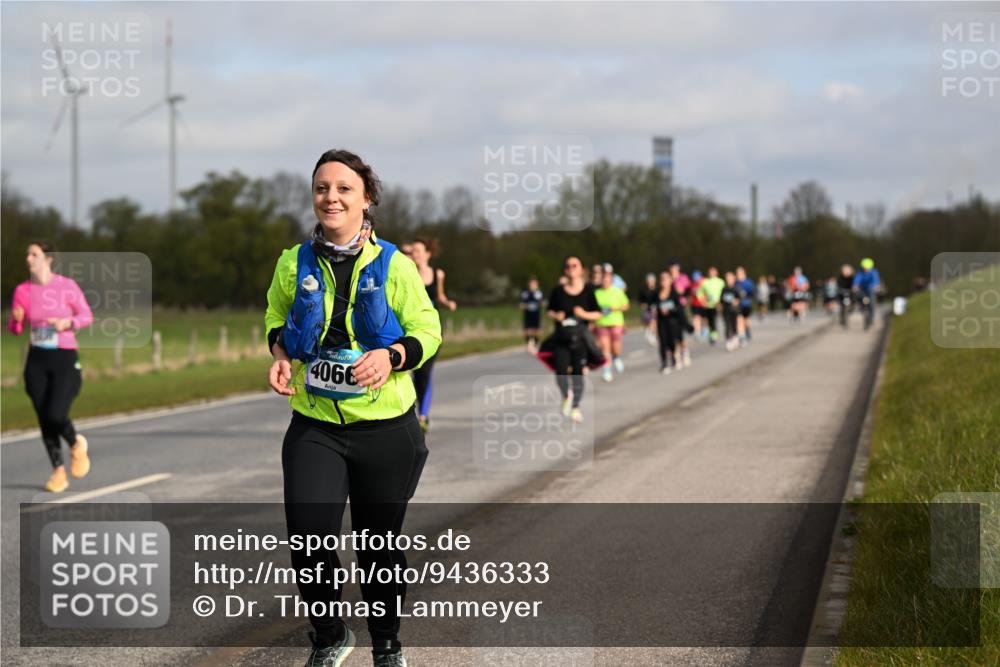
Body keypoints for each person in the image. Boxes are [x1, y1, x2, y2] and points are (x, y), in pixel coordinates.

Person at [265, 149, 441, 667]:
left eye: (344, 188)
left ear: (366, 200)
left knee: (377, 547)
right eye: (322, 187)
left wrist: (390, 357)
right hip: (316, 423)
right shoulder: (292, 261)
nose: (331, 197)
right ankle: (330, 636)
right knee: (308, 534)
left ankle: (387, 645)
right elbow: (276, 316)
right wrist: (279, 355)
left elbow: (428, 331)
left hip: (386, 428)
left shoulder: (395, 264)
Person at [7, 241, 93, 493]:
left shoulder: (66, 286)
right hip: (36, 360)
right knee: (43, 417)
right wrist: (16, 320)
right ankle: (58, 471)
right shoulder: (22, 290)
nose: (28, 258)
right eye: (27, 254)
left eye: (34, 254)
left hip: (64, 357)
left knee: (56, 414)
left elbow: (86, 316)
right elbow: (15, 329)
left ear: (48, 258)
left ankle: (75, 445)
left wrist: (67, 322)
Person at [538, 255, 603, 423]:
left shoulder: (588, 290)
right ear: (564, 270)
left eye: (575, 265)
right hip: (561, 338)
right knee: (560, 373)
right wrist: (556, 315)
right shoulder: (558, 291)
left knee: (577, 374)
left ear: (582, 270)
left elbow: (598, 313)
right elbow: (549, 310)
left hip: (580, 339)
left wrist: (584, 314)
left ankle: (575, 407)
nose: (571, 269)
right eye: (568, 266)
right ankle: (566, 395)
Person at [408, 237, 456, 432]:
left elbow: (440, 295)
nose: (415, 255)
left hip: (432, 330)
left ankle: (423, 415)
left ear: (427, 253)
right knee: (412, 372)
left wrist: (448, 303)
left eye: (418, 251)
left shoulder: (438, 274)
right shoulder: (407, 272)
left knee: (425, 372)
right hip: (411, 328)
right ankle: (411, 413)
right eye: (412, 251)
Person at [594, 268, 630, 382]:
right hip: (602, 323)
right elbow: (592, 308)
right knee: (605, 348)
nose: (605, 281)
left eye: (607, 279)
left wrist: (615, 308)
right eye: (603, 279)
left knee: (616, 347)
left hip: (616, 322)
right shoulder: (597, 293)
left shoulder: (617, 291)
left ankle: (616, 357)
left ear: (611, 280)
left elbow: (626, 305)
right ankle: (607, 370)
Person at [654, 271, 691, 374]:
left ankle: (679, 356)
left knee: (675, 341)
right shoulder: (656, 294)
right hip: (662, 322)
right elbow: (652, 306)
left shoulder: (674, 293)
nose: (664, 281)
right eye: (662, 279)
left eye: (666, 279)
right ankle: (665, 363)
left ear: (670, 281)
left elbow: (679, 309)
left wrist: (671, 310)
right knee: (662, 342)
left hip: (674, 321)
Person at [668, 261, 693, 367]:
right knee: (673, 335)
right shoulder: (668, 279)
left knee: (680, 334)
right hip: (670, 309)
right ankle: (676, 357)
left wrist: (681, 291)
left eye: (674, 268)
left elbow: (688, 291)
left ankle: (685, 352)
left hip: (681, 308)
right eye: (671, 268)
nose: (673, 270)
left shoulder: (683, 278)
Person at [695, 267, 725, 345]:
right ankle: (711, 333)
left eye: (713, 272)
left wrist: (722, 302)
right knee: (709, 320)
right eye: (710, 272)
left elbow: (726, 292)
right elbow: (699, 293)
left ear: (716, 273)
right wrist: (702, 301)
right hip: (708, 305)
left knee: (714, 319)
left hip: (718, 304)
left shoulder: (721, 282)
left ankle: (714, 334)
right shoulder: (705, 282)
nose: (712, 273)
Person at [853, 257, 882, 330]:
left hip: (871, 289)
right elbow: (857, 279)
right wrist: (855, 286)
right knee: (858, 294)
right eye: (864, 267)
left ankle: (871, 320)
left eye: (867, 267)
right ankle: (861, 306)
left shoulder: (874, 272)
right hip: (862, 289)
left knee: (872, 304)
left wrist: (877, 286)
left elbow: (875, 280)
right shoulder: (860, 272)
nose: (866, 269)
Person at [519, 277, 545, 353]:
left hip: (536, 314)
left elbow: (543, 303)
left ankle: (535, 342)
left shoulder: (539, 293)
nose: (532, 285)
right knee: (526, 330)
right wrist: (524, 306)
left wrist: (541, 304)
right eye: (531, 284)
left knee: (536, 330)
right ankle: (529, 343)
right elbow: (521, 304)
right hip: (527, 314)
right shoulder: (525, 293)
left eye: (534, 284)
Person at [734, 266, 754, 345]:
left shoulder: (748, 282)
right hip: (739, 305)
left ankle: (747, 330)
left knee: (746, 319)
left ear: (744, 273)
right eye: (737, 273)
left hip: (747, 304)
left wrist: (745, 295)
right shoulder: (736, 283)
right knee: (740, 319)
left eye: (740, 273)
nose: (739, 274)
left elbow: (752, 292)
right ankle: (742, 336)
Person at [720, 271, 740, 351]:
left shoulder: (736, 289)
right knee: (727, 325)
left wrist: (736, 301)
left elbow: (739, 298)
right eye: (727, 278)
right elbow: (721, 299)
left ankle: (735, 337)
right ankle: (728, 341)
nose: (729, 280)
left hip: (734, 310)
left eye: (730, 278)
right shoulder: (724, 289)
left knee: (734, 324)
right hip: (726, 310)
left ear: (734, 279)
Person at [637, 272, 658, 346]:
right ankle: (648, 331)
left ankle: (653, 335)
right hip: (646, 309)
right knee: (650, 321)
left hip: (655, 308)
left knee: (654, 322)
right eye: (649, 280)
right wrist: (643, 305)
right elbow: (640, 300)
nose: (650, 282)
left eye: (652, 280)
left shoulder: (657, 289)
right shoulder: (643, 290)